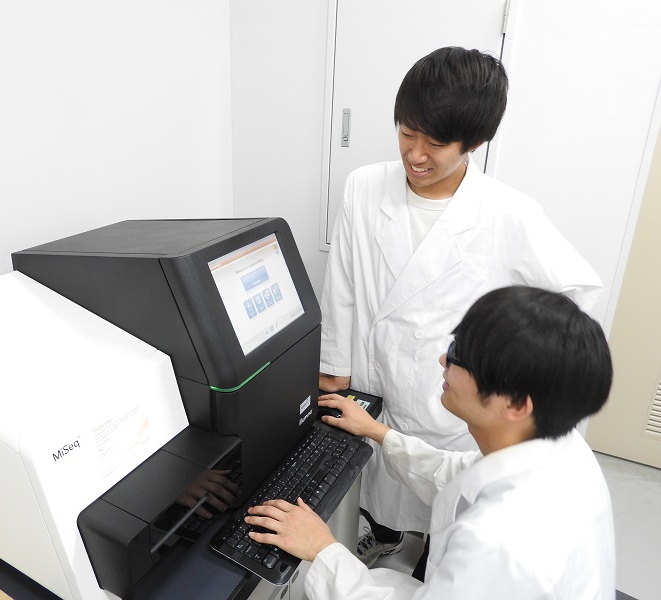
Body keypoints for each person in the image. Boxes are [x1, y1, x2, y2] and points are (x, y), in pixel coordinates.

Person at [318, 46, 603, 566]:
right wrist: (333, 368)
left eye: (437, 143)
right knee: (379, 481)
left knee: (449, 513)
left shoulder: (507, 213)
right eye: (407, 133)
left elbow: (577, 293)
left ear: (474, 142)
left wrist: (511, 375)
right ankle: (385, 534)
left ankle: (434, 560)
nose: (416, 155)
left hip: (445, 396)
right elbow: (342, 284)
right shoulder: (364, 186)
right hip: (375, 378)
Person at [247, 285, 615, 599]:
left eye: (458, 357)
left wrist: (322, 550)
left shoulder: (502, 543)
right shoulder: (560, 446)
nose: (442, 359)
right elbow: (453, 473)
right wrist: (376, 431)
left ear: (517, 404)